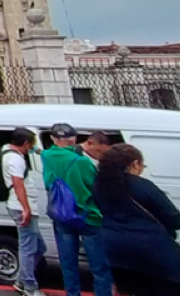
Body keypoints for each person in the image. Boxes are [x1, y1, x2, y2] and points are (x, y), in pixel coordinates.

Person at [94, 144, 180, 295]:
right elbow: (174, 219)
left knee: (129, 289)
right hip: (152, 252)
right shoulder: (143, 186)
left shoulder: (98, 185)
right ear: (134, 164)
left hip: (115, 249)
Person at [41, 123, 114, 296]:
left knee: (68, 264)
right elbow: (97, 187)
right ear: (74, 138)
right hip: (87, 217)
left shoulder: (46, 155)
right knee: (99, 267)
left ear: (53, 138)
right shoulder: (81, 162)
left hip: (62, 215)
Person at [2, 128, 47, 296]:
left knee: (38, 247)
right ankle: (29, 286)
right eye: (31, 145)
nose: (32, 148)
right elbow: (18, 184)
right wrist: (26, 209)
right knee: (28, 248)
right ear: (25, 143)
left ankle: (22, 279)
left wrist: (40, 151)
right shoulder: (15, 160)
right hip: (21, 207)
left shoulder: (10, 152)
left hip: (20, 205)